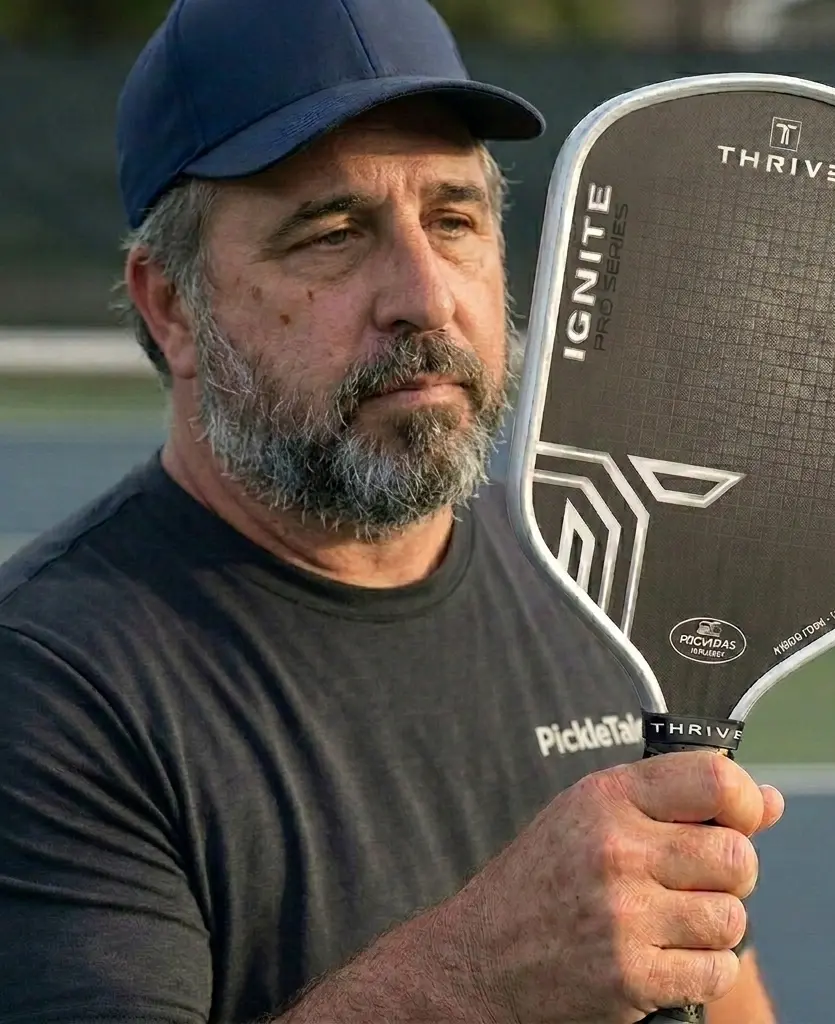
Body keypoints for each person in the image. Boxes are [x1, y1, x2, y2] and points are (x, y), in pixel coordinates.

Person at [0, 0, 785, 1021]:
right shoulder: (49, 690)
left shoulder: (593, 575)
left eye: (454, 220)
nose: (424, 293)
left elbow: (712, 988)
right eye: (333, 233)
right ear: (171, 305)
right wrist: (477, 977)